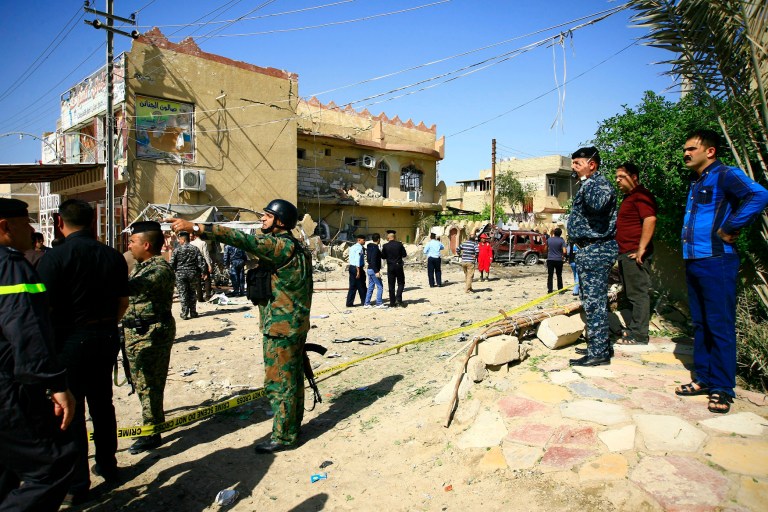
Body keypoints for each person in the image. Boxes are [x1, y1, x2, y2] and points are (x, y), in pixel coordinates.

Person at [166, 199, 313, 453]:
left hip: (281, 327)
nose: (262, 220)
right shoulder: (296, 246)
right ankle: (291, 428)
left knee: (279, 382)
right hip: (294, 325)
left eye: (267, 216)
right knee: (292, 380)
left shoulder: (279, 245)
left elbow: (242, 240)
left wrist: (199, 228)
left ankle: (284, 436)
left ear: (280, 221)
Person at [37, 199, 129, 504]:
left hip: (69, 340)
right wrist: (104, 326)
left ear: (60, 223)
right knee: (103, 404)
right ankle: (109, 465)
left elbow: (44, 309)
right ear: (92, 223)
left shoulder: (53, 259)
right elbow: (122, 303)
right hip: (105, 335)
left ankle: (78, 484)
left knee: (71, 411)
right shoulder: (113, 257)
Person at [674, 129, 768, 414]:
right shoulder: (696, 180)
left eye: (691, 148)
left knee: (720, 325)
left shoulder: (726, 174)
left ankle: (723, 388)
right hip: (694, 260)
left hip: (718, 261)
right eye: (685, 150)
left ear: (710, 151)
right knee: (701, 323)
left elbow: (759, 194)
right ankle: (703, 378)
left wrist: (731, 227)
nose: (686, 153)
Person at [0, 198, 77, 512]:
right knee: (52, 467)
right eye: (25, 222)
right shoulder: (11, 267)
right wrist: (56, 385)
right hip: (9, 389)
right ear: (5, 226)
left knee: (6, 465)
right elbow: (27, 331)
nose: (32, 229)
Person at [124, 221, 176, 453]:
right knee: (142, 383)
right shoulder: (141, 265)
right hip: (138, 332)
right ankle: (153, 422)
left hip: (152, 333)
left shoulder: (158, 269)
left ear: (146, 244)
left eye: (133, 241)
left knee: (149, 384)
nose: (129, 245)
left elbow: (133, 288)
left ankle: (151, 432)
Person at [567, 147, 618, 367]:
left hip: (597, 249)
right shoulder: (590, 184)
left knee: (595, 303)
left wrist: (586, 181)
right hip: (588, 250)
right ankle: (599, 344)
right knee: (591, 301)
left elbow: (597, 205)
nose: (574, 167)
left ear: (592, 164)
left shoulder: (599, 184)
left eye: (578, 163)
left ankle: (598, 353)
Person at [615, 162, 658, 345]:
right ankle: (634, 329)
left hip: (634, 253)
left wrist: (641, 248)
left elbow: (650, 219)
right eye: (616, 177)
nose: (617, 180)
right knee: (631, 294)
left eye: (621, 177)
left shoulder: (641, 196)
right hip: (626, 253)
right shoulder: (629, 197)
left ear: (633, 177)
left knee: (638, 294)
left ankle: (640, 335)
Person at [170, 231, 205, 320]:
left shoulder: (177, 250)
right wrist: (203, 272)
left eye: (179, 239)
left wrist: (172, 273)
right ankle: (193, 312)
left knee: (183, 293)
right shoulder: (195, 249)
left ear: (182, 239)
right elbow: (201, 262)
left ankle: (184, 313)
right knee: (192, 293)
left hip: (180, 274)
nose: (179, 241)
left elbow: (172, 263)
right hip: (192, 274)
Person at [381, 230, 407, 307]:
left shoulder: (385, 246)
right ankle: (398, 298)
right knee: (401, 283)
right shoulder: (399, 244)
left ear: (388, 237)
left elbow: (383, 256)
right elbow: (404, 254)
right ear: (394, 237)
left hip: (390, 267)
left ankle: (392, 302)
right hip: (398, 266)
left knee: (391, 285)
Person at [364, 233, 387, 308]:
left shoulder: (369, 247)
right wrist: (377, 271)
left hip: (369, 269)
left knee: (371, 286)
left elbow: (370, 259)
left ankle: (367, 303)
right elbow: (374, 260)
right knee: (380, 286)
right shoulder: (375, 248)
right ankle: (379, 303)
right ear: (378, 239)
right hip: (374, 270)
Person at [190, 231, 212, 302]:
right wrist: (209, 265)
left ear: (194, 236)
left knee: (197, 281)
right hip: (202, 262)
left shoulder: (191, 243)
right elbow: (206, 255)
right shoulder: (203, 243)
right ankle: (208, 296)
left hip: (194, 263)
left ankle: (200, 298)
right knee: (207, 279)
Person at [346, 234, 367, 307]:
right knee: (361, 286)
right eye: (363, 240)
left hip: (351, 267)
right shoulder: (359, 248)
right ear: (359, 240)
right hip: (357, 268)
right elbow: (357, 259)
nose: (364, 241)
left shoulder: (352, 247)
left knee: (352, 286)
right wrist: (358, 271)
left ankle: (349, 303)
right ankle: (365, 302)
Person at [546, 228, 567, 293]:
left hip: (550, 259)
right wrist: (563, 256)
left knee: (550, 275)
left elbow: (545, 249)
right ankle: (560, 289)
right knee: (559, 275)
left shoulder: (549, 239)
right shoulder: (561, 240)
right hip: (558, 259)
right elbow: (564, 251)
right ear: (560, 234)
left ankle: (550, 290)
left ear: (554, 233)